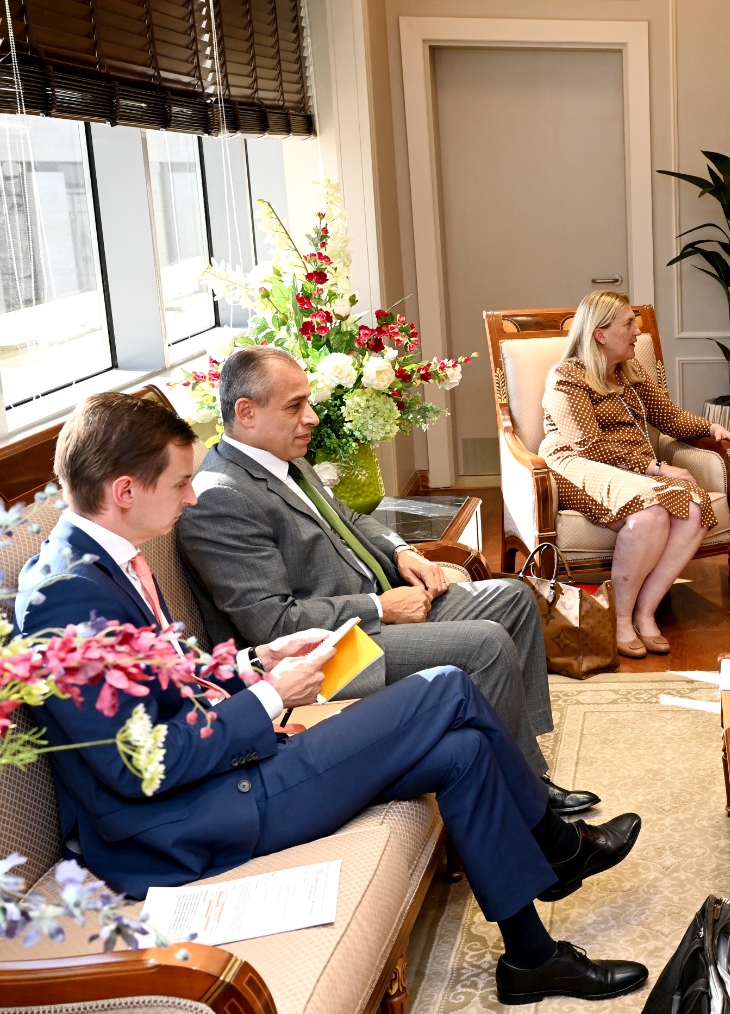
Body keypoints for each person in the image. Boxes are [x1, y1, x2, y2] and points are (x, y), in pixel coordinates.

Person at [16, 393, 649, 1004]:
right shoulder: (66, 597)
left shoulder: (105, 563)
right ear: (125, 491)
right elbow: (139, 765)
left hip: (216, 778)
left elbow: (168, 683)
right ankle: (557, 846)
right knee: (448, 687)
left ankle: (531, 959)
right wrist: (270, 696)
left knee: (462, 752)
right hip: (181, 822)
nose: (192, 495)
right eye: (181, 483)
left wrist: (257, 662)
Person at [174, 345, 596, 816]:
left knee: (513, 598)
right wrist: (381, 608)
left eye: (308, 401)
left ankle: (524, 763)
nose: (312, 417)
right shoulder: (222, 497)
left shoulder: (283, 458)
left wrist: (402, 551)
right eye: (295, 406)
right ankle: (523, 796)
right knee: (487, 643)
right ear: (246, 412)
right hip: (329, 650)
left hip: (372, 607)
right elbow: (274, 624)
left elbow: (350, 518)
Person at [539, 291, 730, 659]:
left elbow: (670, 417)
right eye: (628, 323)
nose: (637, 331)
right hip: (579, 466)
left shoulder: (630, 372)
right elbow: (588, 445)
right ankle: (620, 620)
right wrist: (657, 468)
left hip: (634, 471)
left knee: (695, 509)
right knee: (651, 513)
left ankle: (645, 612)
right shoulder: (567, 377)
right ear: (600, 333)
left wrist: (710, 427)